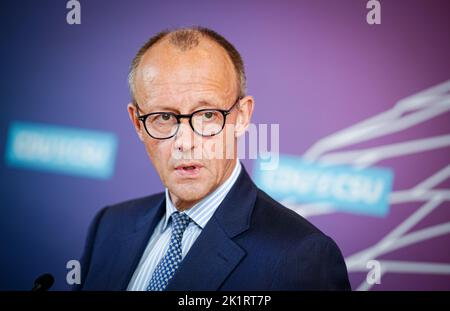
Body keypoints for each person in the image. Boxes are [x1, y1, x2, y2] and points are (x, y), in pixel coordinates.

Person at [75, 26, 351, 291]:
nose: (184, 142)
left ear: (242, 117)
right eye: (164, 117)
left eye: (207, 115)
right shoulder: (109, 225)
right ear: (137, 123)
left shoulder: (301, 255)